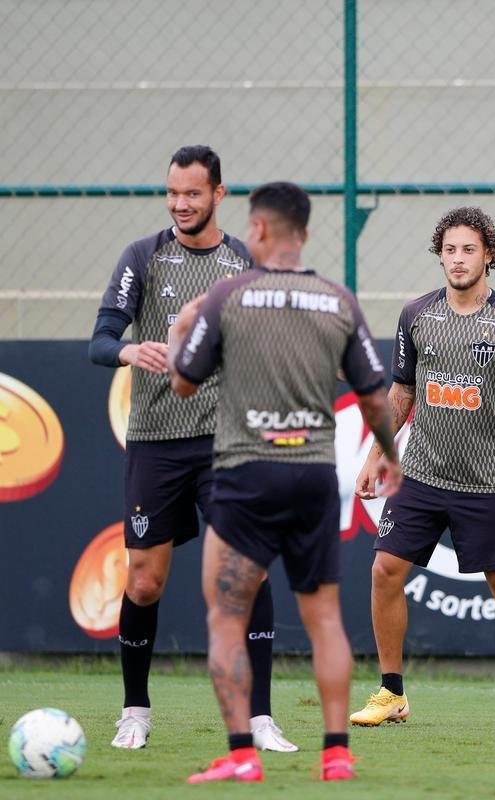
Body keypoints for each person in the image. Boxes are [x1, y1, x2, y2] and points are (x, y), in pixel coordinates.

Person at [167, 181, 400, 782]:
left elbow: (184, 383)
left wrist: (180, 328)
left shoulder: (227, 296)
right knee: (324, 617)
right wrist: (390, 453)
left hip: (246, 476)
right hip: (314, 476)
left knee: (225, 616)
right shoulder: (338, 300)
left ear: (262, 230)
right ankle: (336, 753)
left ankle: (243, 753)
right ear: (306, 233)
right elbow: (376, 396)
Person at [88, 145, 294, 752]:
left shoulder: (244, 262)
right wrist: (129, 350)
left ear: (219, 194)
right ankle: (135, 711)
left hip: (228, 445)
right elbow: (100, 340)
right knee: (145, 581)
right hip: (155, 441)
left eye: (193, 194)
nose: (180, 204)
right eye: (173, 193)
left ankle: (260, 720)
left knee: (247, 573)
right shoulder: (143, 257)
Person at [350, 206, 495, 729]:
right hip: (419, 474)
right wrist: (377, 455)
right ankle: (391, 693)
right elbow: (402, 392)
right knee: (384, 571)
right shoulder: (416, 315)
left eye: (469, 249)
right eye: (450, 250)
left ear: (489, 254)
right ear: (439, 255)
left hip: (484, 482)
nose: (458, 259)